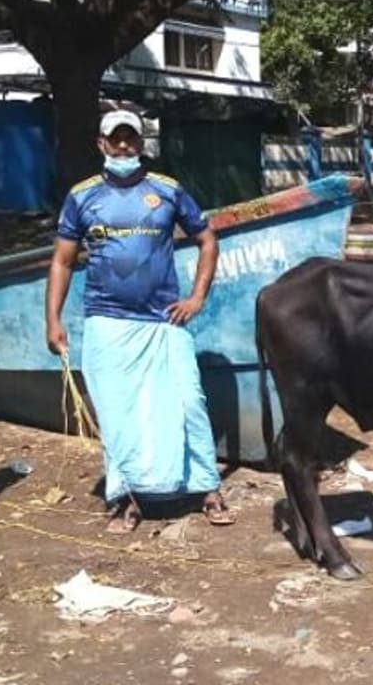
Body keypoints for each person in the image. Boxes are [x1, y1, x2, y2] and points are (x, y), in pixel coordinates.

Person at [45, 109, 234, 533]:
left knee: (189, 401)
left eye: (131, 138)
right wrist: (52, 320)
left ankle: (208, 488)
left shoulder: (167, 191)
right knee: (118, 412)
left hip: (164, 320)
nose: (125, 146)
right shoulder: (82, 196)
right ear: (102, 144)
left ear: (142, 143)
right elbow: (61, 260)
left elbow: (206, 240)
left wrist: (197, 297)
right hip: (107, 320)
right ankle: (125, 497)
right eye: (117, 139)